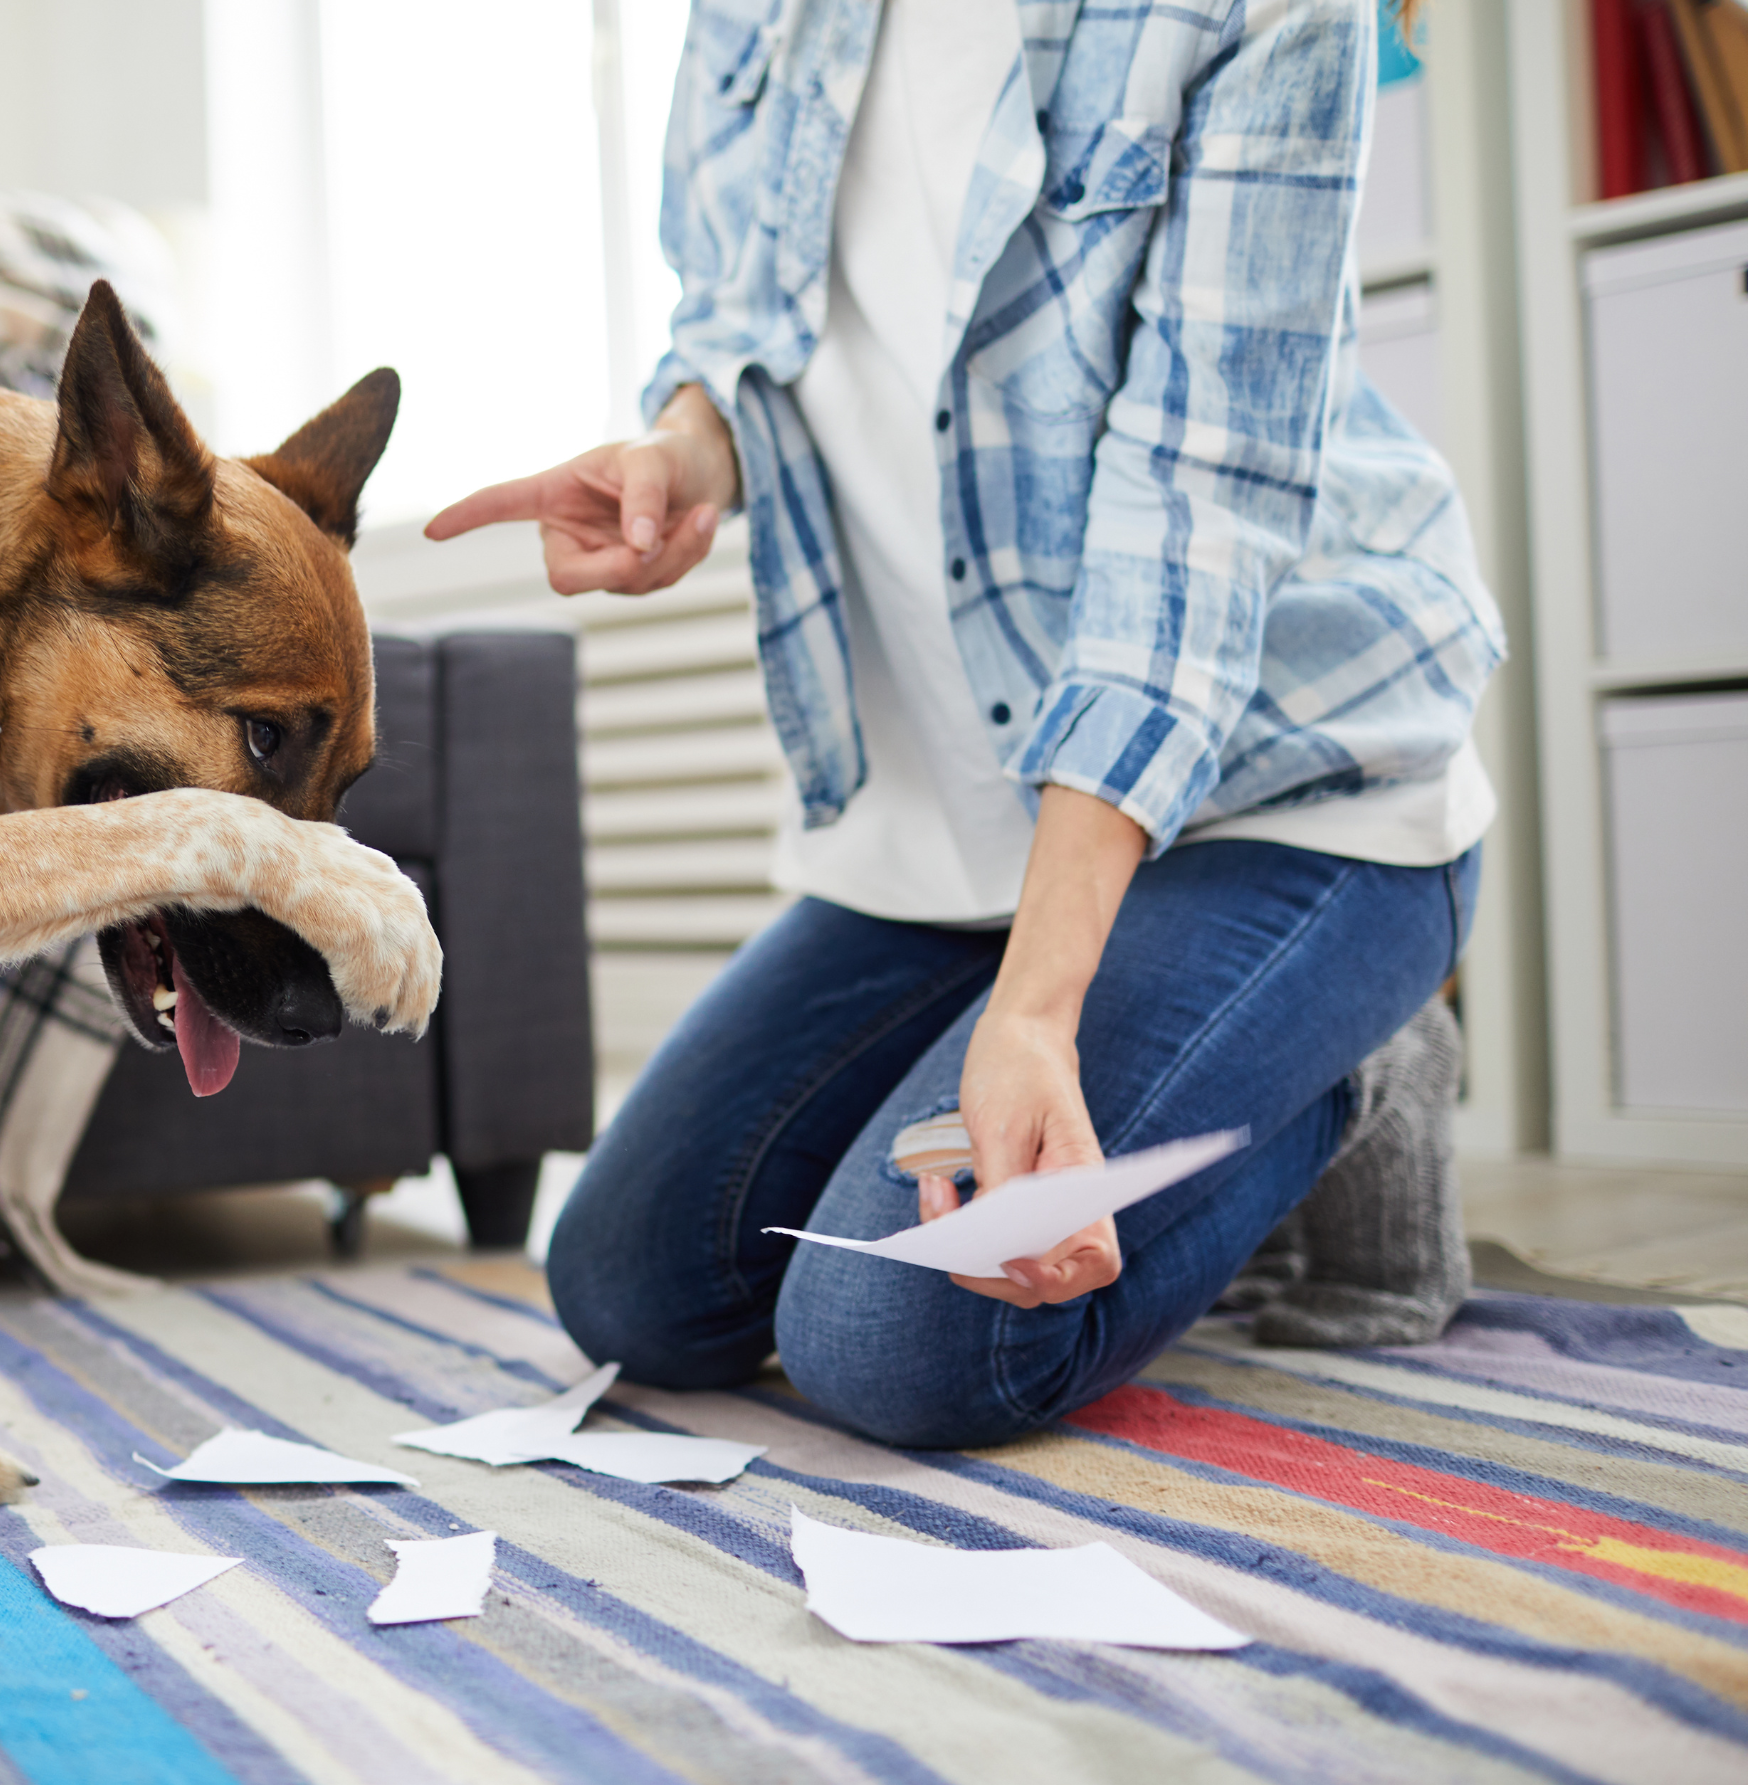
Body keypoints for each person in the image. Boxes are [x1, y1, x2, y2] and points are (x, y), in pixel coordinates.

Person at [428, 0, 1499, 1447]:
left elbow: (1197, 510)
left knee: (899, 1343)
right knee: (634, 1291)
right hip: (956, 825)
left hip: (1289, 791)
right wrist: (684, 450)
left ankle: (1355, 1064)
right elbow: (736, 320)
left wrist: (1039, 1012)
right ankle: (1128, 1025)